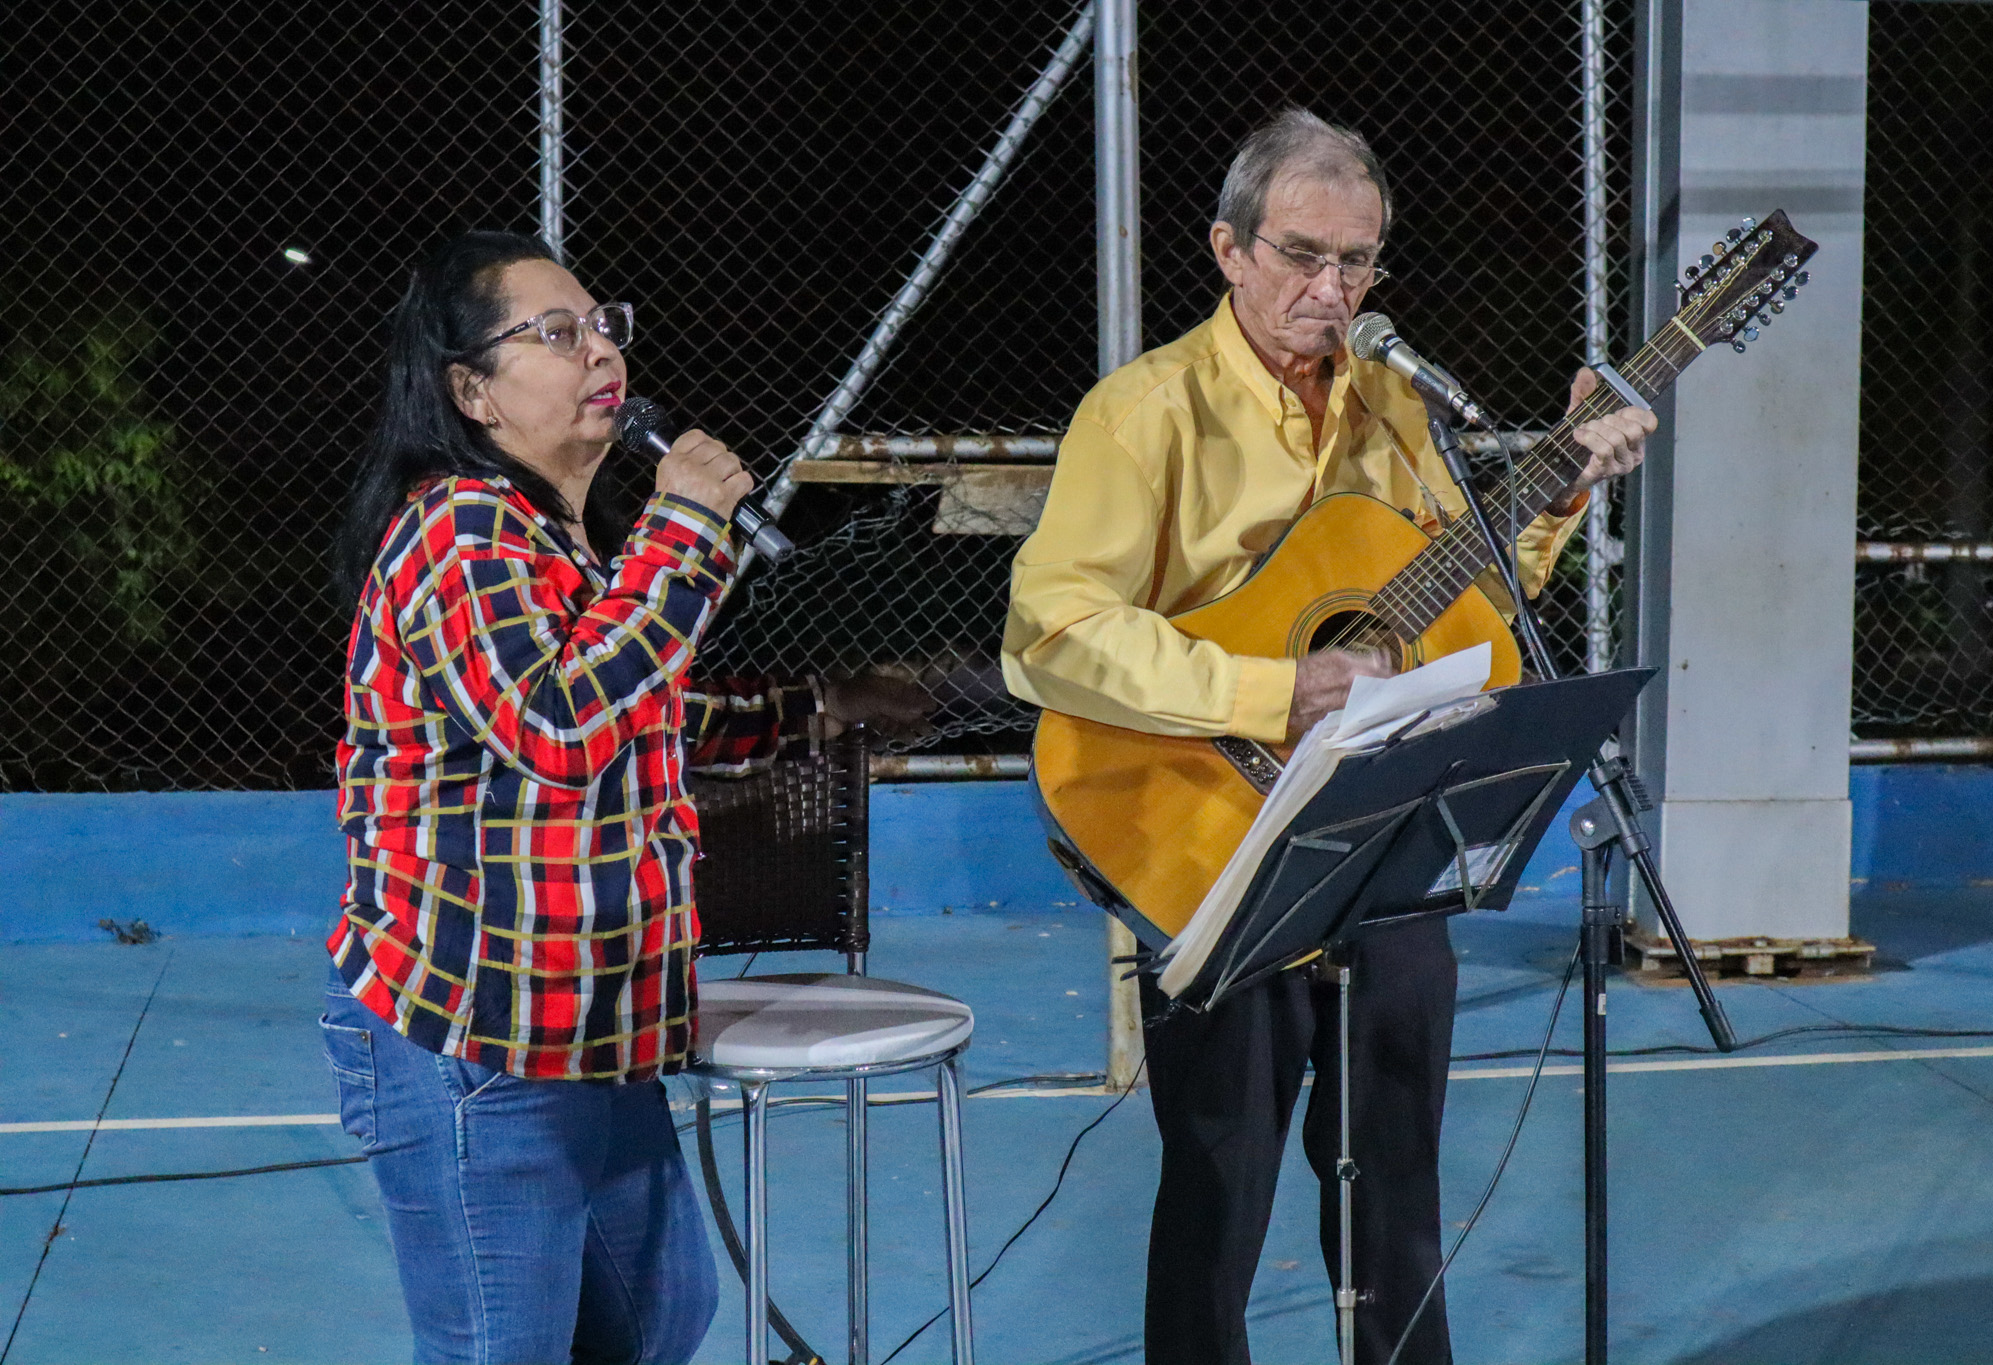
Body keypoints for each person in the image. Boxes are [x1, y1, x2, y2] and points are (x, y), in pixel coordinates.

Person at [1001, 109, 1655, 1365]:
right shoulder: (1144, 415)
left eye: (1357, 261)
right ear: (1227, 250)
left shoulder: (1397, 405)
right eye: (1301, 255)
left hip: (1383, 837)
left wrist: (1560, 487)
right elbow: (1053, 632)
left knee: (1396, 1181)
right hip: (1210, 840)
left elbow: (1469, 590)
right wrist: (1268, 690)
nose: (1331, 289)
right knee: (1221, 1189)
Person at [323, 230, 924, 1364]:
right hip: (476, 1042)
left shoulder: (553, 543)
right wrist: (686, 526)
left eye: (605, 324)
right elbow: (558, 728)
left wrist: (818, 708)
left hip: (595, 1034)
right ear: (472, 392)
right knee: (506, 1348)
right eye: (555, 333)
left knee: (656, 1322)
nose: (599, 349)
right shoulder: (456, 533)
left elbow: (634, 704)